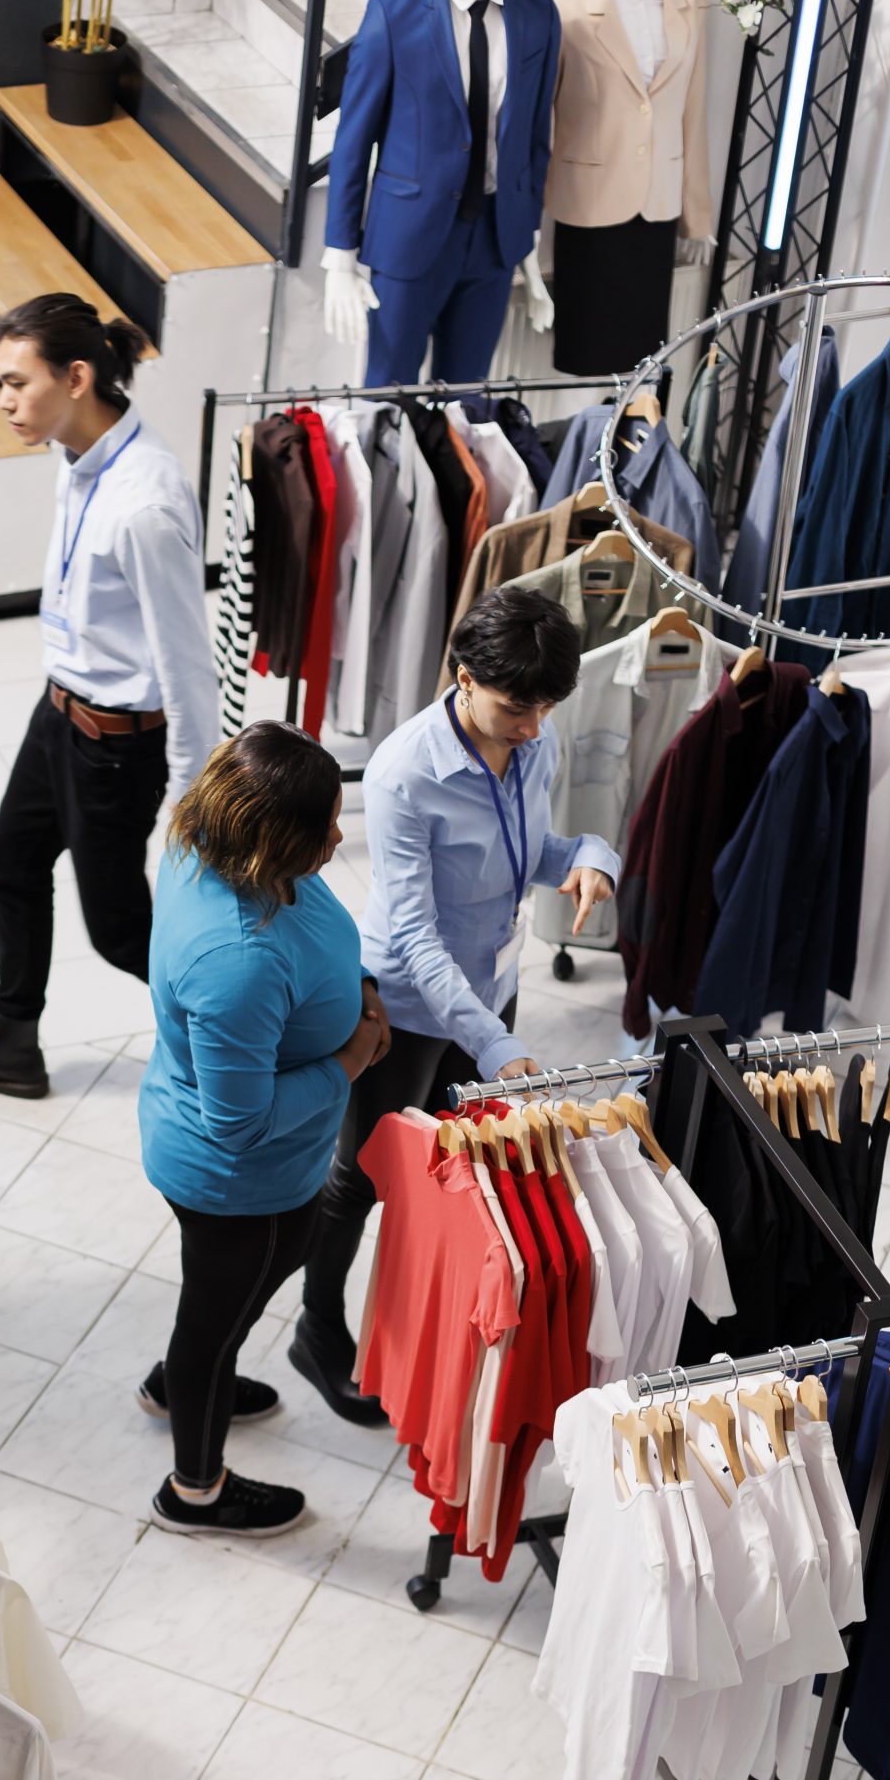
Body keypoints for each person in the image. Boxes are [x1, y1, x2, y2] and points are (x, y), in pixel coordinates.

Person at [289, 583, 619, 1423]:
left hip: (487, 995)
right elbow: (413, 937)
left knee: (461, 1173)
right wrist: (492, 1041)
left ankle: (425, 1319)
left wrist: (591, 857)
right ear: (463, 676)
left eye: (545, 708)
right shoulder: (404, 774)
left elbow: (531, 853)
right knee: (358, 1179)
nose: (534, 727)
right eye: (518, 707)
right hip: (403, 1009)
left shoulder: (530, 743)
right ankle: (317, 1330)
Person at [0, 294, 218, 1100]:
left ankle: (248, 1036)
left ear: (76, 377)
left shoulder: (144, 503)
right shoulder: (76, 458)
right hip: (61, 713)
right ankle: (12, 1041)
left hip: (117, 745)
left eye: (17, 382)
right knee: (9, 857)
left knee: (122, 934)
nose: (3, 400)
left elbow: (187, 661)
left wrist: (193, 793)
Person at [138, 724, 390, 1539]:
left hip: (264, 1168)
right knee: (216, 1316)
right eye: (323, 826)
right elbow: (239, 1124)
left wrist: (351, 992)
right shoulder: (234, 957)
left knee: (232, 1293)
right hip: (233, 1178)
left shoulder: (207, 838)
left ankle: (180, 1380)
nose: (336, 836)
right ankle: (195, 1490)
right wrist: (350, 1058)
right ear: (271, 838)